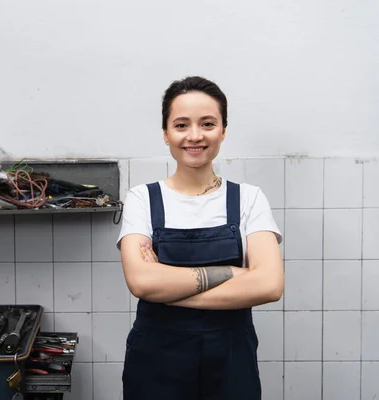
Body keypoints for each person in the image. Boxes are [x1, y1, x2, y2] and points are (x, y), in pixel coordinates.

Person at [117, 76, 284, 400]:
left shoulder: (249, 199)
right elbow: (141, 282)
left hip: (231, 361)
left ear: (222, 130)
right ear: (166, 133)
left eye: (207, 124)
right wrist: (232, 274)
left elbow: (269, 285)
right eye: (181, 125)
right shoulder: (142, 199)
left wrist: (167, 291)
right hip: (156, 362)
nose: (195, 135)